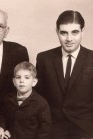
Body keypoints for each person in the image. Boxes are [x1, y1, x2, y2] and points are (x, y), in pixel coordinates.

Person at [35, 10, 93, 139]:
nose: (69, 39)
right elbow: (38, 97)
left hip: (86, 131)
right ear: (57, 32)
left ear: (83, 31)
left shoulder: (91, 58)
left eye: (75, 32)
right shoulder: (44, 58)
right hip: (52, 129)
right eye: (63, 33)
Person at [0, 61, 51, 139]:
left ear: (34, 82)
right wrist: (1, 127)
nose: (21, 81)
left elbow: (44, 130)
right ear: (14, 81)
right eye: (18, 77)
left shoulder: (41, 103)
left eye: (27, 77)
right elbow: (3, 116)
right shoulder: (8, 99)